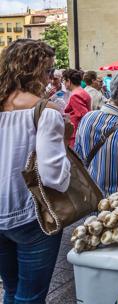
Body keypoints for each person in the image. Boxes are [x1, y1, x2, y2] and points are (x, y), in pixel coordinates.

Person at [0, 39, 72, 304]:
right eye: (49, 71)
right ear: (36, 72)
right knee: (30, 297)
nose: (51, 79)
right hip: (31, 215)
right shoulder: (45, 111)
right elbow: (54, 176)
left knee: (11, 290)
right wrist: (64, 139)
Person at [63, 69, 91, 147]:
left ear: (68, 81)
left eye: (64, 81)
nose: (63, 83)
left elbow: (83, 115)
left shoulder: (75, 95)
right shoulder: (81, 91)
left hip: (76, 134)